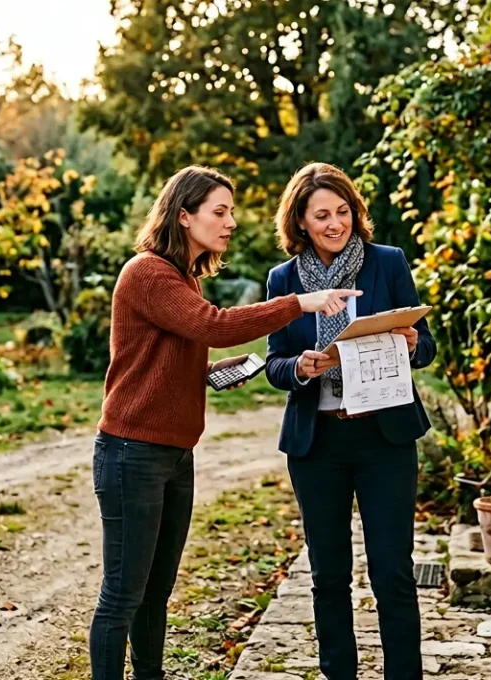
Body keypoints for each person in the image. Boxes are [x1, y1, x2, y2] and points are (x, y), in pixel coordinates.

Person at [90, 165, 360, 680]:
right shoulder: (147, 272)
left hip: (172, 454)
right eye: (220, 211)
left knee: (156, 591)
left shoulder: (183, 278)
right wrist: (299, 303)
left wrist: (209, 372)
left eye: (230, 211)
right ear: (183, 215)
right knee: (123, 593)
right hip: (132, 453)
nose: (231, 222)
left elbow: (163, 357)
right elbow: (211, 325)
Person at [264, 162, 435, 680]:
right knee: (329, 574)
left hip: (385, 438)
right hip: (317, 444)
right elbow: (274, 364)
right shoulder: (284, 280)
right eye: (322, 215)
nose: (335, 223)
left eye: (343, 212)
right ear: (300, 220)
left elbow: (426, 346)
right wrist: (299, 367)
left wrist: (413, 343)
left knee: (393, 571)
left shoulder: (388, 262)